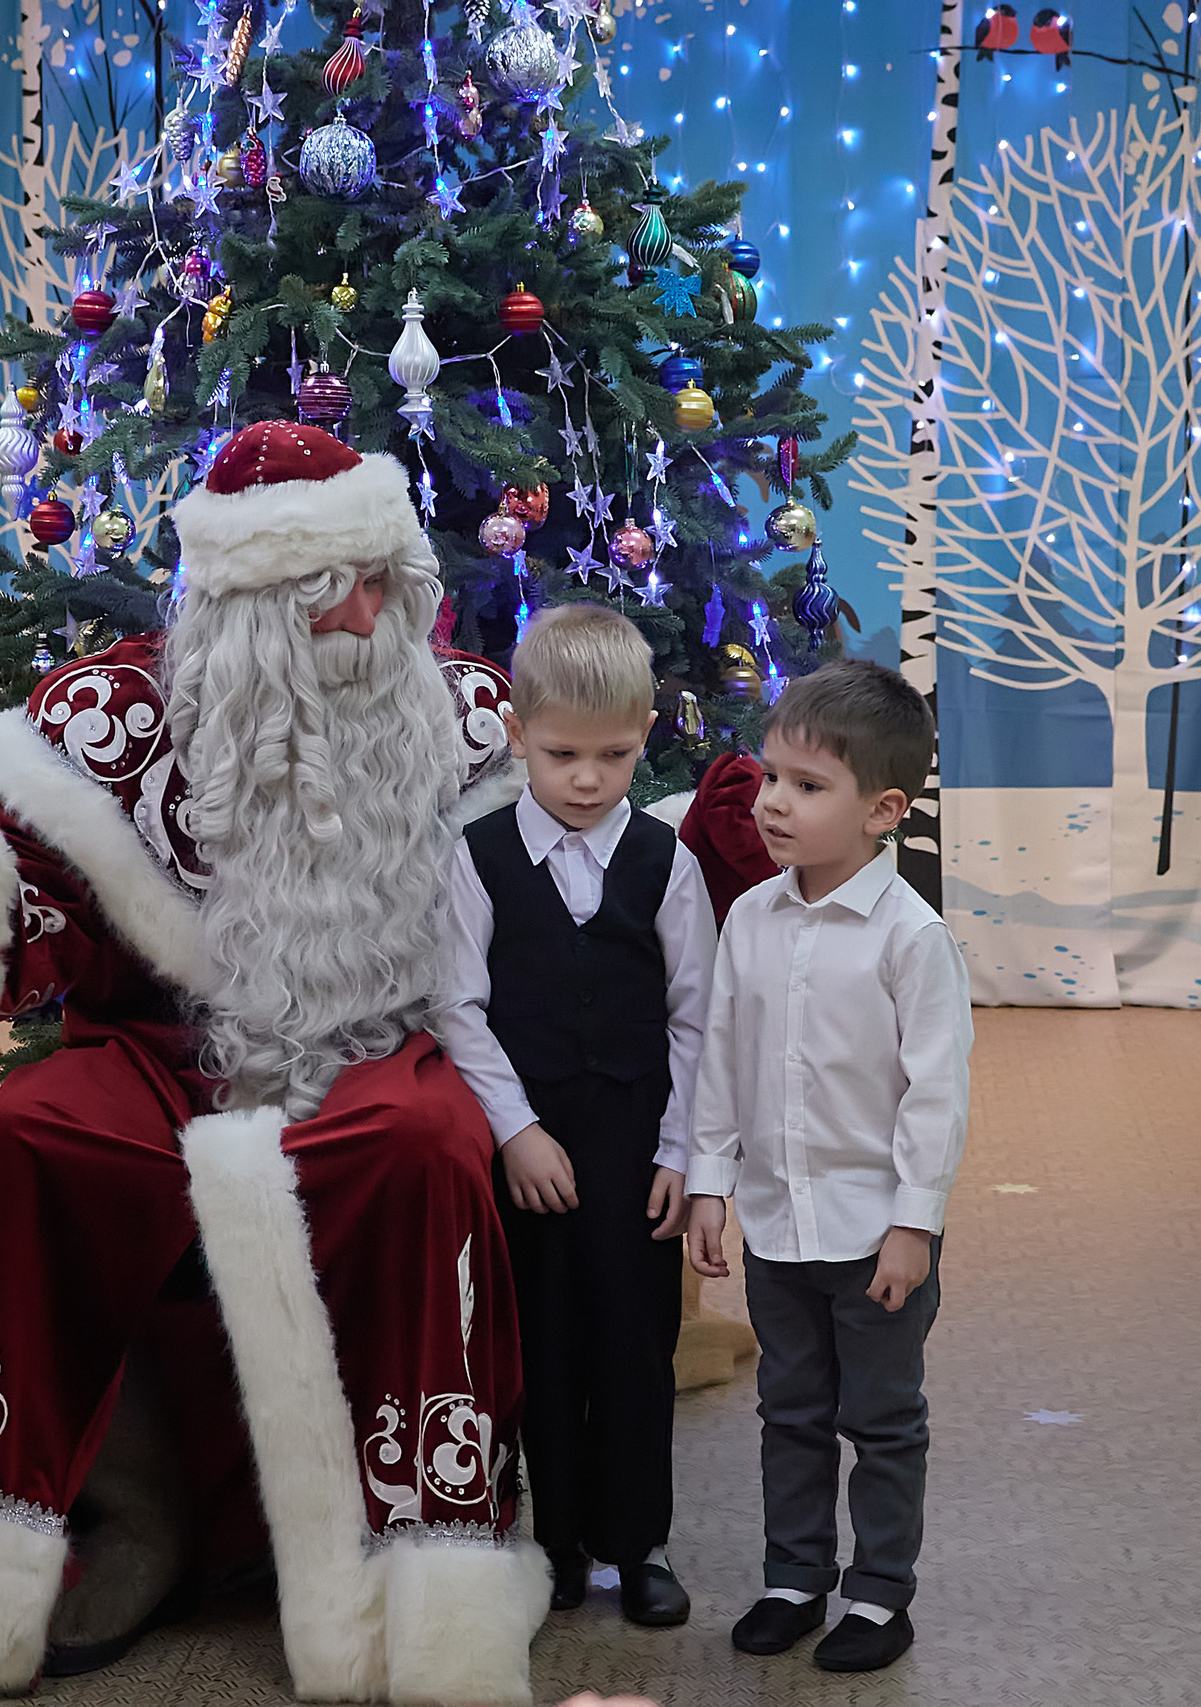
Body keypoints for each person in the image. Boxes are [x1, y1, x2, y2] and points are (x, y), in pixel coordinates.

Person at [0, 420, 549, 1702]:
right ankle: (113, 1518)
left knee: (419, 1149)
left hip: (383, 1047)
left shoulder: (465, 719)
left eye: (384, 580)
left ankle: (413, 1557)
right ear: (243, 609)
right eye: (330, 590)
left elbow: (575, 893)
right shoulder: (105, 725)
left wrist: (721, 865)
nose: (370, 616)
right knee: (17, 1145)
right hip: (158, 1050)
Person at [682, 660, 971, 1675]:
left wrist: (913, 1223)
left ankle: (879, 1595)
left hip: (876, 1231)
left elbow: (935, 1094)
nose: (773, 801)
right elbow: (721, 1057)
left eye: (807, 785)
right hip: (777, 1224)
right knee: (791, 1410)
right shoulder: (749, 919)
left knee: (882, 1420)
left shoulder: (912, 939)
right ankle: (794, 1578)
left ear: (882, 810)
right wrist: (709, 1179)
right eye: (771, 776)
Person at [432, 605, 716, 1629]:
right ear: (517, 735)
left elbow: (698, 1019)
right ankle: (553, 1542)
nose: (588, 779)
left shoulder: (666, 863)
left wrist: (682, 1154)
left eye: (614, 755)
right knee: (543, 1344)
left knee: (636, 1343)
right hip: (532, 1147)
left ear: (645, 735)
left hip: (636, 1142)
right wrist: (514, 1128)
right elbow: (457, 1007)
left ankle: (639, 1545)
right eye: (562, 755)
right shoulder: (477, 858)